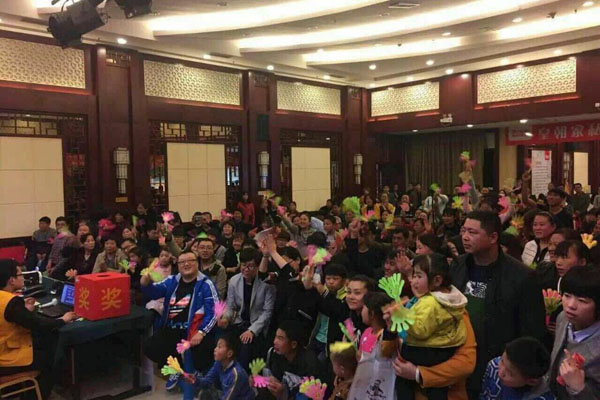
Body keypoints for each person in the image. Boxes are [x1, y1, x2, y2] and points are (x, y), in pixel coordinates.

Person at [451, 210, 546, 398]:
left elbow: (532, 330)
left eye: (473, 232)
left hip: (498, 367)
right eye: (464, 231)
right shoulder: (457, 266)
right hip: (458, 361)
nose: (465, 237)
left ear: (493, 237)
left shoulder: (522, 277)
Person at [142, 251, 218, 399]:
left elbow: (213, 312)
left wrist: (201, 332)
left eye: (190, 260)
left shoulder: (206, 284)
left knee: (196, 357)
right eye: (182, 262)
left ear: (197, 263)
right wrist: (146, 282)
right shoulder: (172, 280)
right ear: (178, 265)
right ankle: (177, 370)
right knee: (149, 346)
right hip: (172, 330)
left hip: (194, 333)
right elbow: (154, 292)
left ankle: (192, 377)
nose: (186, 264)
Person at [0, 259, 77, 399]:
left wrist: (24, 310)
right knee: (53, 357)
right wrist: (62, 320)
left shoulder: (7, 300)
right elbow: (38, 324)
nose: (23, 277)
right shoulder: (11, 302)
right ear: (11, 280)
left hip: (4, 351)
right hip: (7, 357)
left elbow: (14, 317)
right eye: (20, 274)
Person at [396, 254, 468, 400]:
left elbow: (420, 330)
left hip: (426, 352)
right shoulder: (452, 299)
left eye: (418, 276)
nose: (413, 281)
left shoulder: (428, 302)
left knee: (402, 380)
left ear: (437, 280)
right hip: (446, 349)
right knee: (437, 391)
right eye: (413, 276)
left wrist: (403, 315)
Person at [546, 266, 600, 399]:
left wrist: (578, 388)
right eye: (566, 296)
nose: (570, 305)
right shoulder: (563, 318)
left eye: (582, 301)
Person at [220, 247, 275, 368]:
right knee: (223, 343)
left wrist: (252, 330)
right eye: (243, 265)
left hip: (256, 325)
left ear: (258, 267)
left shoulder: (266, 284)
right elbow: (230, 306)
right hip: (239, 322)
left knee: (246, 347)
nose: (245, 269)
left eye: (250, 266)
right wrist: (225, 318)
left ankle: (243, 375)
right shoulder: (234, 281)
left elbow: (267, 312)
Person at [256, 320, 320, 400]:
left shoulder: (310, 364)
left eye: (280, 338)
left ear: (293, 344)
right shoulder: (274, 354)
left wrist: (284, 394)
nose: (275, 342)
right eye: (275, 336)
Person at [185, 332, 254, 400]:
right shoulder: (218, 364)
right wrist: (195, 380)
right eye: (216, 346)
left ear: (229, 354)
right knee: (205, 394)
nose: (215, 349)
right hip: (226, 395)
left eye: (219, 347)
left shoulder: (236, 374)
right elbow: (207, 382)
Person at [479, 337, 553, 400]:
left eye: (510, 373)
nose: (500, 373)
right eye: (502, 361)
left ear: (531, 381)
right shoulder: (493, 365)